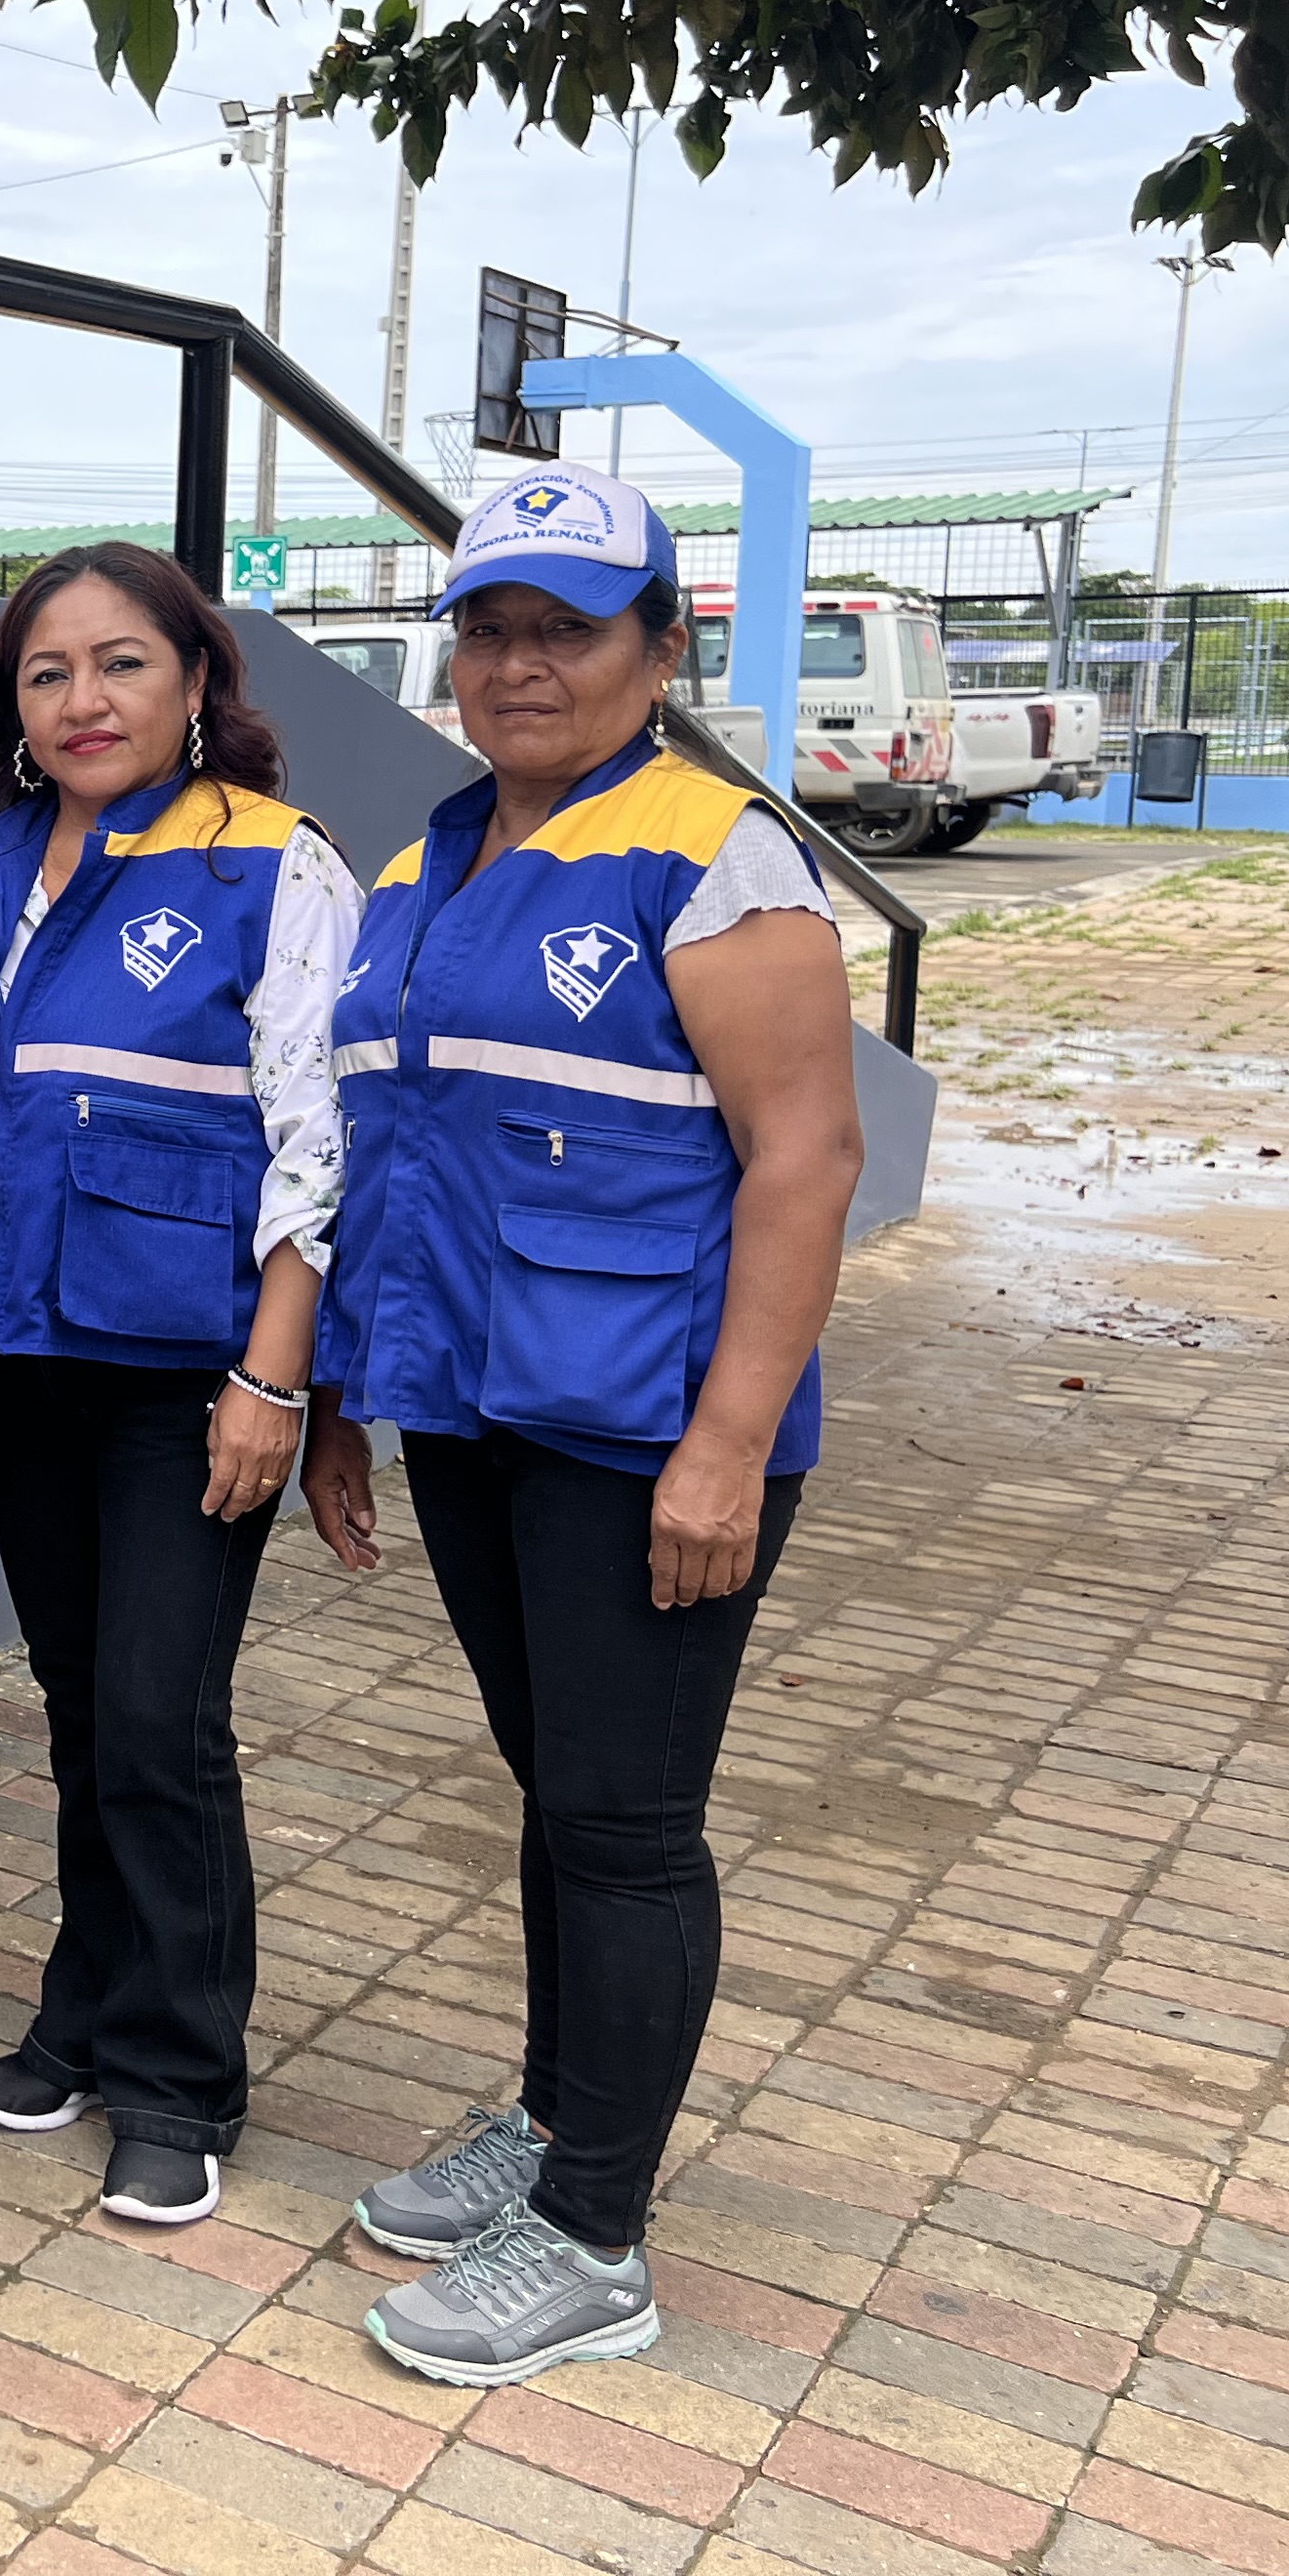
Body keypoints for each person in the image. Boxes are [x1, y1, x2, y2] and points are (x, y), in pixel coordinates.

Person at [306, 463, 861, 2388]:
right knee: (554, 1791)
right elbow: (390, 1157)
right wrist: (346, 1405)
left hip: (644, 1431)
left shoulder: (715, 854)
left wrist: (729, 1444)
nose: (519, 663)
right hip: (475, 1409)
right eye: (489, 628)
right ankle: (553, 2122)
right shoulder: (427, 863)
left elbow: (806, 1158)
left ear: (658, 647)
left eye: (567, 628)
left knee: (624, 1824)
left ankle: (597, 2234)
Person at [0, 542, 362, 2228]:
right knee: (81, 1703)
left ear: (193, 681)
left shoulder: (270, 861)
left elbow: (318, 1134)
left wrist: (274, 1376)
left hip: (193, 1370)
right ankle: (85, 2011)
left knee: (161, 1719)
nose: (83, 699)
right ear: (10, 703)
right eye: (47, 672)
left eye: (121, 663)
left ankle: (179, 2072)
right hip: (28, 1349)